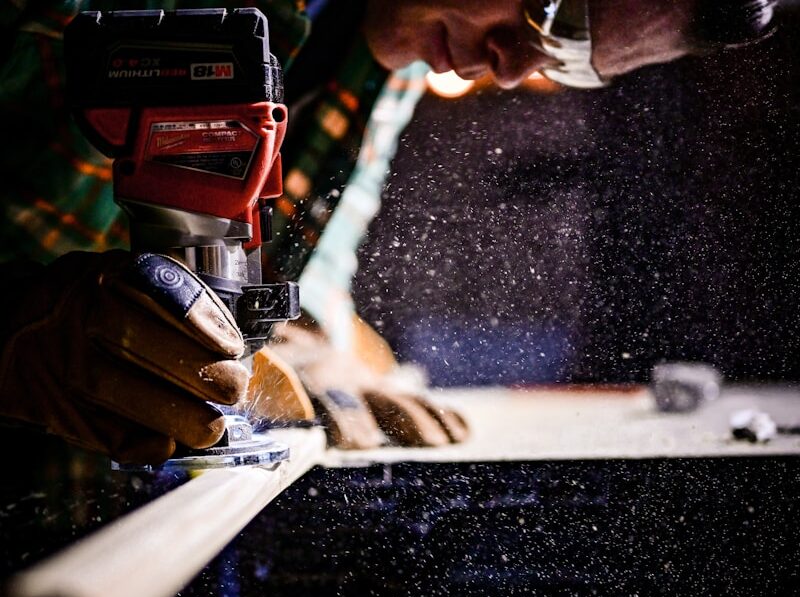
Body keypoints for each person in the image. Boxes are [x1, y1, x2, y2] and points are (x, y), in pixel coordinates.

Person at [0, 0, 778, 463]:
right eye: (551, 10)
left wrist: (316, 349)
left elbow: (312, 267)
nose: (509, 69)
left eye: (572, 60)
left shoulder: (391, 60)